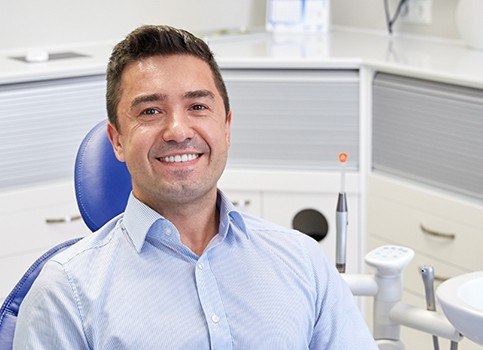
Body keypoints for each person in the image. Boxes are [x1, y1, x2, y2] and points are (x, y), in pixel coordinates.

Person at [13, 25, 377, 349]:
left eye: (198, 106)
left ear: (227, 127)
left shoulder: (302, 260)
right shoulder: (66, 295)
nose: (178, 131)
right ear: (117, 140)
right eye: (150, 112)